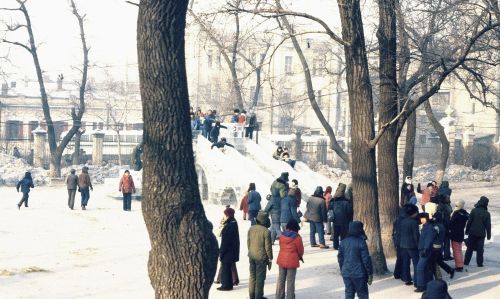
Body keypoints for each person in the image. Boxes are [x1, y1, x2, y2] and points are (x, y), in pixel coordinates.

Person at [338, 221, 373, 299]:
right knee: (362, 295)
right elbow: (366, 260)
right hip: (359, 274)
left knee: (349, 294)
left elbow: (340, 258)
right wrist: (370, 273)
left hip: (346, 273)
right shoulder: (361, 242)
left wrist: (342, 269)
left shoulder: (343, 242)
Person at [276, 219, 304, 299]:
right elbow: (300, 250)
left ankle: (279, 297)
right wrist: (299, 256)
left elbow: (281, 246)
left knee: (281, 280)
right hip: (292, 261)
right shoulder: (297, 237)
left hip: (281, 260)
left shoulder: (282, 235)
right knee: (290, 282)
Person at [426, 202, 455, 280]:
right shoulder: (438, 218)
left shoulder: (436, 223)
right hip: (438, 245)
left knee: (433, 262)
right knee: (438, 260)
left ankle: (438, 277)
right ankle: (450, 270)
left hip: (435, 245)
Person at [248, 211, 273, 299]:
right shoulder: (266, 231)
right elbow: (268, 247)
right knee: (260, 278)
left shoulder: (251, 228)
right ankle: (258, 296)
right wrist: (270, 258)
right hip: (261, 257)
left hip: (251, 255)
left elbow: (248, 242)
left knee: (252, 277)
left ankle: (252, 296)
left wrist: (251, 251)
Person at [464, 196, 491, 267]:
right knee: (480, 250)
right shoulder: (487, 213)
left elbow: (469, 222)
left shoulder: (474, 210)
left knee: (469, 248)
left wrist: (467, 230)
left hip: (472, 232)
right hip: (481, 234)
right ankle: (479, 264)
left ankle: (466, 262)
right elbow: (488, 226)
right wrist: (489, 235)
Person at [218, 207, 240, 291]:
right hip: (232, 250)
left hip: (228, 251)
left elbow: (226, 241)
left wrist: (221, 251)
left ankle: (226, 285)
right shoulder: (233, 223)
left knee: (226, 268)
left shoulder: (229, 225)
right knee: (228, 267)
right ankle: (229, 284)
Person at [399, 204, 420, 286]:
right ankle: (417, 281)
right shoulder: (414, 223)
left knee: (406, 262)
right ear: (413, 213)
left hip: (403, 245)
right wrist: (419, 245)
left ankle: (406, 279)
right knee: (416, 263)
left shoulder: (403, 221)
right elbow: (416, 236)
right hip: (412, 245)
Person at [415, 212, 436, 293]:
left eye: (422, 218)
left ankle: (421, 285)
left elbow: (429, 239)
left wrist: (425, 249)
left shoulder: (429, 228)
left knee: (420, 268)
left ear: (426, 218)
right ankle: (429, 284)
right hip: (423, 249)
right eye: (420, 218)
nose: (421, 220)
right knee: (426, 268)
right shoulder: (425, 226)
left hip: (425, 250)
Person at [266, 172, 288, 244]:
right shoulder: (283, 185)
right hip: (281, 209)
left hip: (274, 213)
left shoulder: (274, 183)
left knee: (275, 226)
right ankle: (273, 240)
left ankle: (277, 239)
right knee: (274, 226)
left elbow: (267, 207)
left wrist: (264, 212)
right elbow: (283, 195)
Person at [330, 183, 353, 250]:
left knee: (336, 234)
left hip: (335, 220)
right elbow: (349, 211)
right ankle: (343, 246)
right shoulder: (346, 201)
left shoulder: (333, 200)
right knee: (343, 234)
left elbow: (329, 209)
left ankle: (335, 246)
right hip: (344, 220)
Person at [449, 199, 469, 272]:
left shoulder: (456, 213)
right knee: (459, 250)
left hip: (454, 233)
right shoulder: (465, 213)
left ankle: (459, 266)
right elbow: (468, 217)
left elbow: (451, 223)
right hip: (461, 233)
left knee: (456, 250)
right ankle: (460, 264)